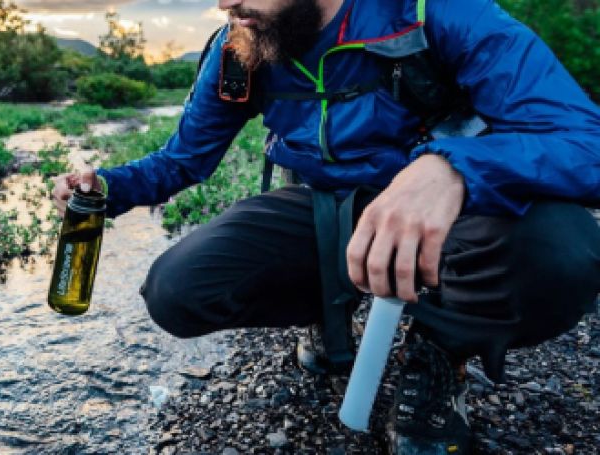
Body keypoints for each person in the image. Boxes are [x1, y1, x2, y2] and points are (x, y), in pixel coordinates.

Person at [51, 0, 600, 452]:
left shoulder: (435, 13)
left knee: (561, 250)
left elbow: (585, 142)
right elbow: (184, 159)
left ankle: (440, 351)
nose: (225, 4)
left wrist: (452, 167)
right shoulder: (241, 46)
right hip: (324, 206)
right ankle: (326, 305)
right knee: (178, 289)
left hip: (454, 212)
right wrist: (109, 189)